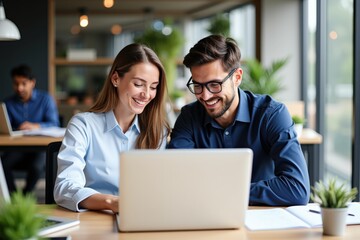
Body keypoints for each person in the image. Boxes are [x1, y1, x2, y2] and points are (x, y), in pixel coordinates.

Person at [167, 35, 310, 206]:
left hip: (262, 219)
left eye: (214, 85)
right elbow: (176, 179)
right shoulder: (189, 117)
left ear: (237, 77)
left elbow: (297, 189)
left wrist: (227, 192)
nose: (205, 96)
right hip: (207, 216)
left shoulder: (271, 115)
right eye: (198, 85)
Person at [54, 43, 170, 212]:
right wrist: (112, 203)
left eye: (153, 87)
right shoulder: (83, 125)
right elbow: (65, 187)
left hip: (143, 220)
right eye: (138, 84)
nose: (146, 94)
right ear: (115, 79)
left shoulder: (158, 132)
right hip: (93, 220)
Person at [1, 64, 60, 193]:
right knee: (3, 163)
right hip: (17, 148)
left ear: (32, 83)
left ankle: (26, 194)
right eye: (16, 84)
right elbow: (6, 129)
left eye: (24, 83)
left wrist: (35, 126)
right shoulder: (8, 103)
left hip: (40, 148)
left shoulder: (46, 99)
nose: (19, 88)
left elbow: (54, 123)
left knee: (36, 166)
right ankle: (14, 196)